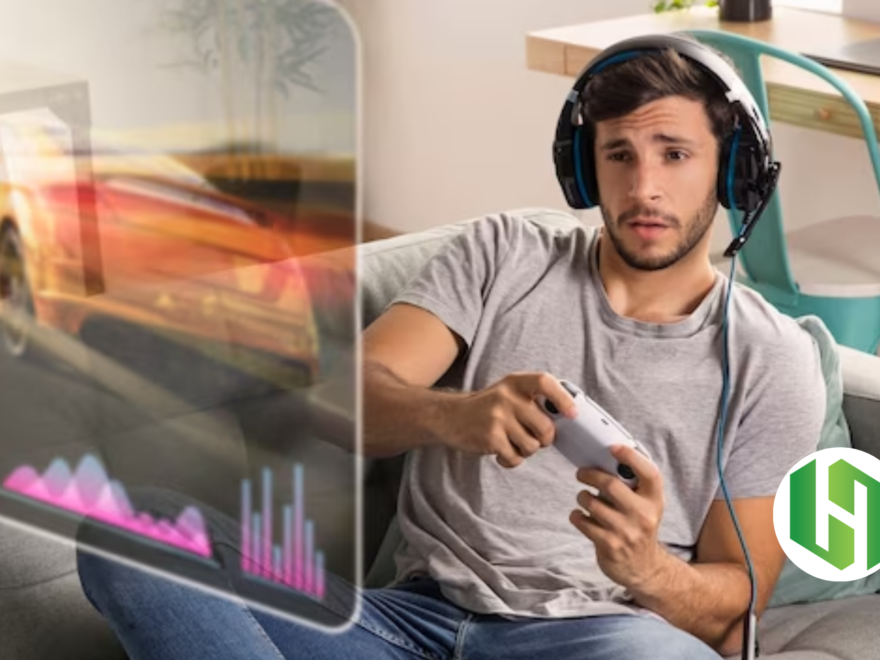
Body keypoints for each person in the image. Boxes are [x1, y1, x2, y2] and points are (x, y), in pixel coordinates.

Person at [76, 34, 826, 660]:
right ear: (585, 167)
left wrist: (650, 569)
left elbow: (740, 596)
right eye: (619, 155)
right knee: (131, 527)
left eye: (674, 153)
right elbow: (341, 403)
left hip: (600, 635)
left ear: (732, 172)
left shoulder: (770, 359)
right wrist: (456, 416)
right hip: (401, 626)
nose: (644, 187)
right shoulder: (505, 252)